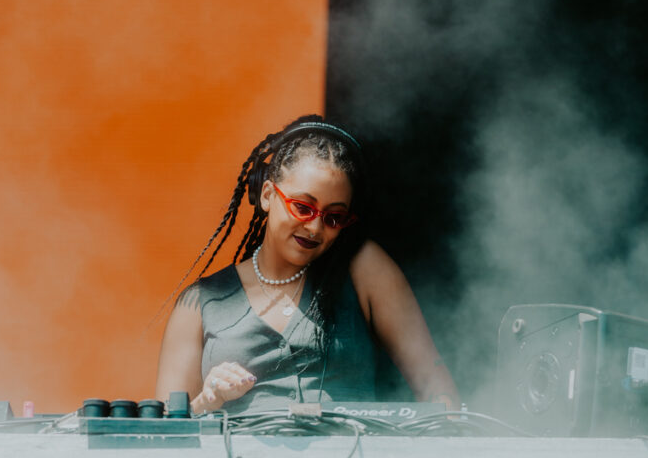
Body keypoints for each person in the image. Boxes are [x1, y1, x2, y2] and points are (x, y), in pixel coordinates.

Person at [156, 115, 459, 415]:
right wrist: (206, 401)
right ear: (266, 195)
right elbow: (165, 433)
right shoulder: (198, 305)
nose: (315, 228)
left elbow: (436, 389)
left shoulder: (364, 269)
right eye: (303, 207)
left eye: (333, 217)